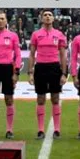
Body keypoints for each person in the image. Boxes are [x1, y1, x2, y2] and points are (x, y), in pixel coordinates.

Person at [28, 10, 68, 140]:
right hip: (40, 68)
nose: (47, 17)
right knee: (40, 98)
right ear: (41, 18)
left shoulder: (59, 34)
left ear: (53, 18)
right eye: (45, 15)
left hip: (54, 68)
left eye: (50, 15)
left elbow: (63, 55)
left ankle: (57, 130)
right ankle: (40, 130)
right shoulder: (36, 34)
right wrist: (30, 72)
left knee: (55, 98)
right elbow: (32, 54)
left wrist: (63, 73)